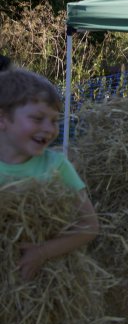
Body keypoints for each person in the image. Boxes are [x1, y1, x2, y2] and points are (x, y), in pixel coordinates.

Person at [0, 68, 99, 281]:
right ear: (2, 119)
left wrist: (42, 252)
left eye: (54, 121)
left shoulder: (56, 167)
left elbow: (90, 226)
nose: (49, 128)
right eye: (37, 118)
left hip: (35, 287)